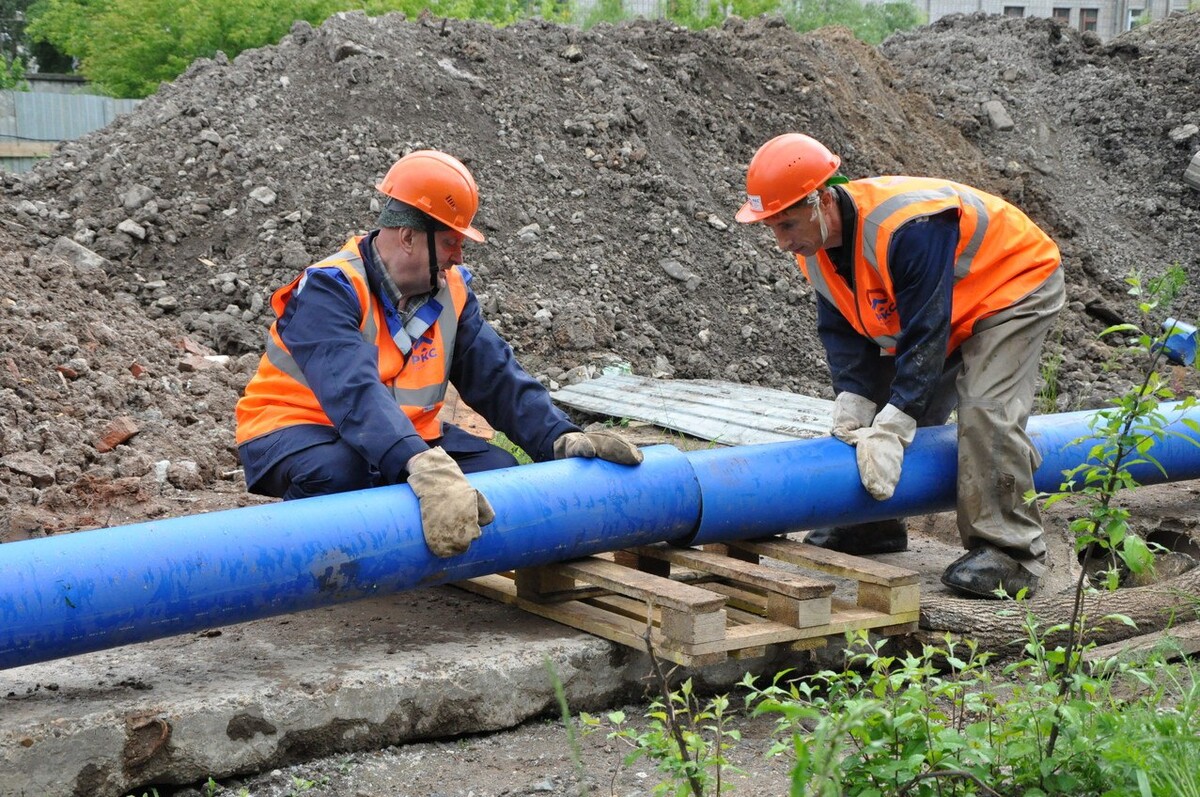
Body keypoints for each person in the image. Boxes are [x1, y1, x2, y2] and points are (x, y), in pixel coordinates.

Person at [236, 149, 642, 558]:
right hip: (295, 430)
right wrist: (421, 466)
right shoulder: (330, 289)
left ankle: (406, 536)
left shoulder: (452, 293)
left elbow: (497, 377)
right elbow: (353, 391)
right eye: (451, 242)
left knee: (500, 474)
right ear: (409, 237)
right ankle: (314, 558)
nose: (459, 256)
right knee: (341, 473)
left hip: (400, 436)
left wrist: (558, 437)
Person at [734, 133, 1064, 598]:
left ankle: (1012, 553)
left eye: (786, 225)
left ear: (821, 199)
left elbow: (925, 331)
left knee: (987, 410)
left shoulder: (908, 227)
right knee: (879, 413)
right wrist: (855, 397)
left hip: (1011, 287)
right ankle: (873, 525)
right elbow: (845, 328)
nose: (782, 243)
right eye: (772, 228)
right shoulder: (817, 245)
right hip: (944, 306)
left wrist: (901, 413)